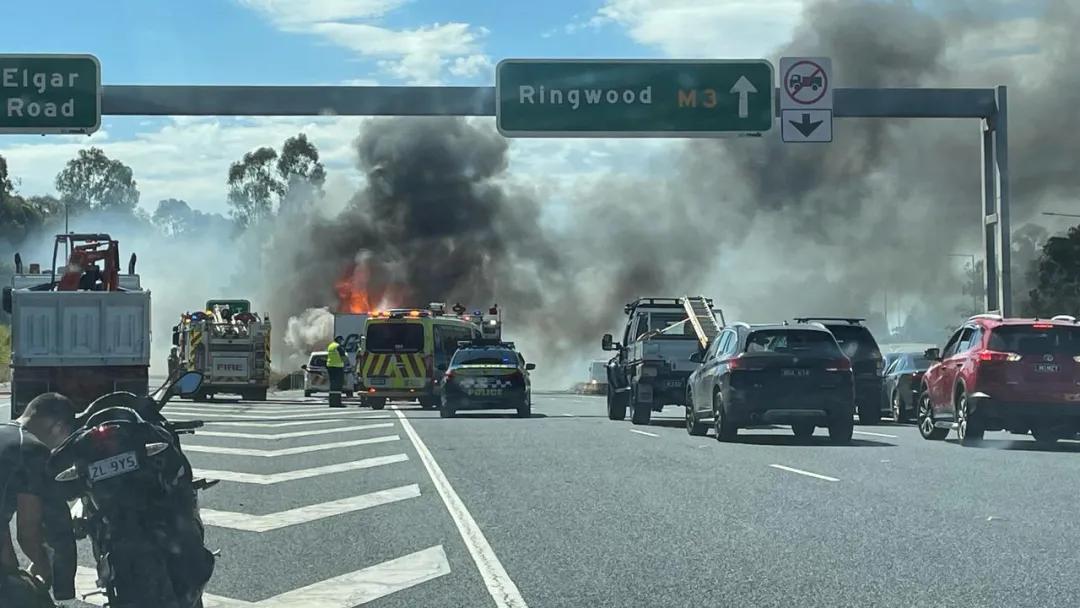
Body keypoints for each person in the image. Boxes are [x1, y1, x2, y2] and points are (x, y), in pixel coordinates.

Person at [0, 393, 77, 606]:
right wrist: (44, 567)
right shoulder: (31, 450)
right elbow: (28, 531)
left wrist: (12, 570)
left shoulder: (5, 436)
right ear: (59, 427)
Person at [326, 336, 347, 408]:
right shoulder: (338, 346)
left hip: (330, 366)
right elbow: (343, 357)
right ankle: (337, 402)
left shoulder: (330, 346)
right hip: (337, 367)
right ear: (338, 340)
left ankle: (332, 402)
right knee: (338, 385)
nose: (342, 341)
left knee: (332, 385)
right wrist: (347, 365)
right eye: (341, 340)